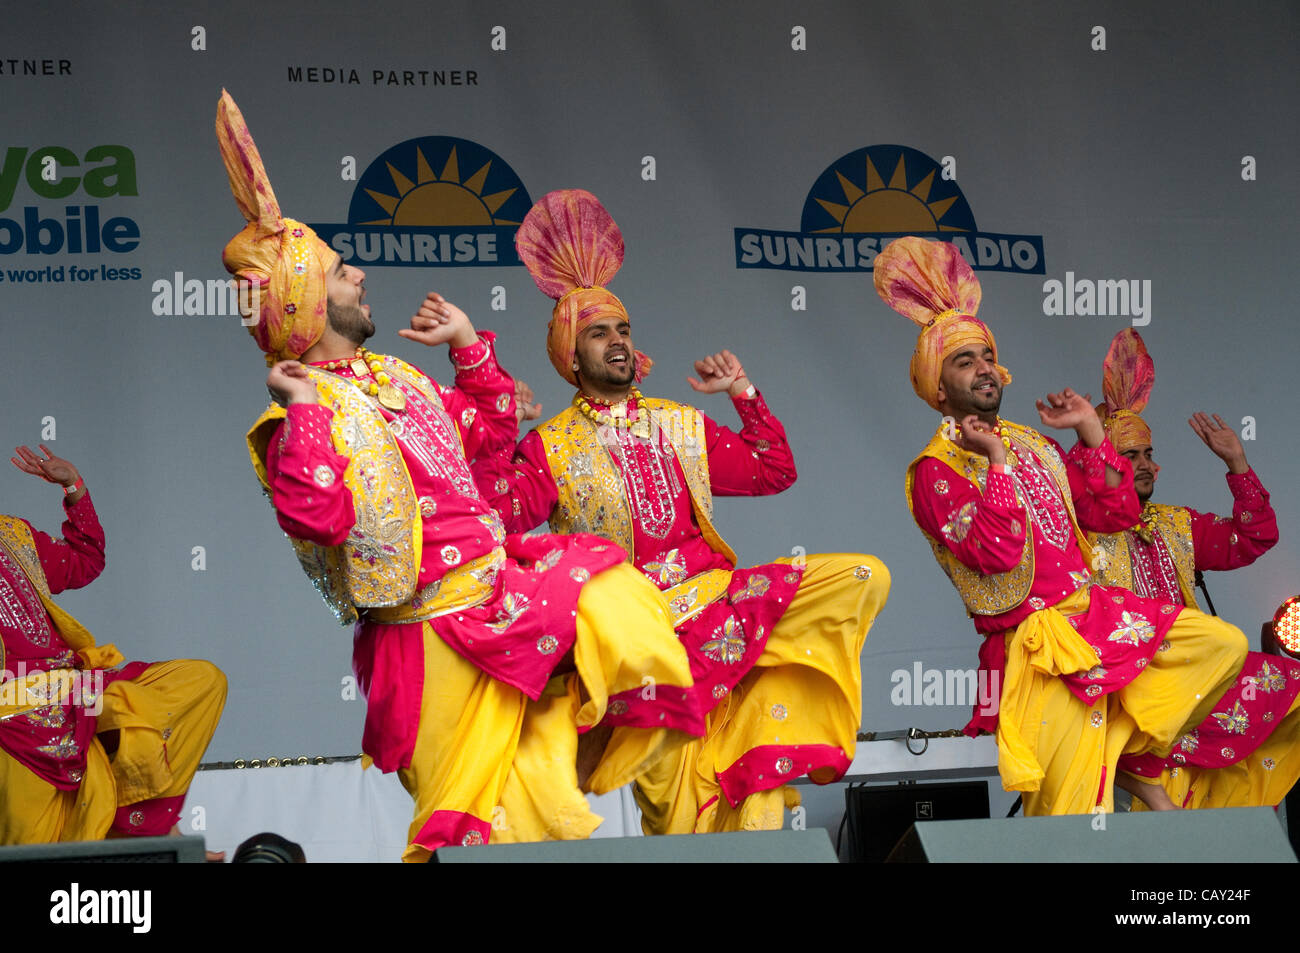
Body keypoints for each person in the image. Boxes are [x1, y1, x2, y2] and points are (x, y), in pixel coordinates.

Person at [216, 92, 703, 861]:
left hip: (503, 598)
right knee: (482, 828)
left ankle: (586, 740)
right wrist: (307, 408)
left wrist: (470, 347)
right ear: (308, 302)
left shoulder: (399, 378)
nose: (361, 274)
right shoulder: (296, 418)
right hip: (426, 643)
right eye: (344, 273)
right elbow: (317, 519)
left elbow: (486, 436)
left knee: (615, 596)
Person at [474, 189, 889, 833]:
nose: (616, 342)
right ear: (568, 354)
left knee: (862, 576)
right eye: (597, 333)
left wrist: (742, 393)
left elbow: (772, 470)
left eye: (622, 329)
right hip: (638, 647)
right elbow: (493, 519)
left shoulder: (681, 425)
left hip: (717, 607)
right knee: (675, 816)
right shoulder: (548, 446)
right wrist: (501, 427)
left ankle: (755, 752)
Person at [878, 235, 1256, 815]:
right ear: (936, 384)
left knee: (1221, 644)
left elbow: (1115, 514)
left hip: (1100, 617)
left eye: (986, 356)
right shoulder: (935, 469)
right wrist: (997, 467)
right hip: (1038, 649)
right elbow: (997, 552)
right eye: (963, 361)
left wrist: (1090, 432)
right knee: (1075, 821)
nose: (984, 369)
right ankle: (1120, 767)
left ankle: (1125, 755)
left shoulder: (1033, 443)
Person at [1087, 328, 1299, 809]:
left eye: (1148, 454)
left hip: (1199, 681)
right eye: (1128, 456)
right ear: (1099, 463)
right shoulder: (1080, 532)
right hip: (1134, 696)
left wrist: (1238, 463)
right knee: (1164, 818)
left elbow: (1255, 536)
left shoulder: (1176, 524)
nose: (1143, 465)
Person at [1, 445, 226, 845]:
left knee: (202, 679)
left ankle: (134, 823)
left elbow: (85, 559)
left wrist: (74, 487)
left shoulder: (12, 535)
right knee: (37, 847)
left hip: (74, 688)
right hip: (13, 708)